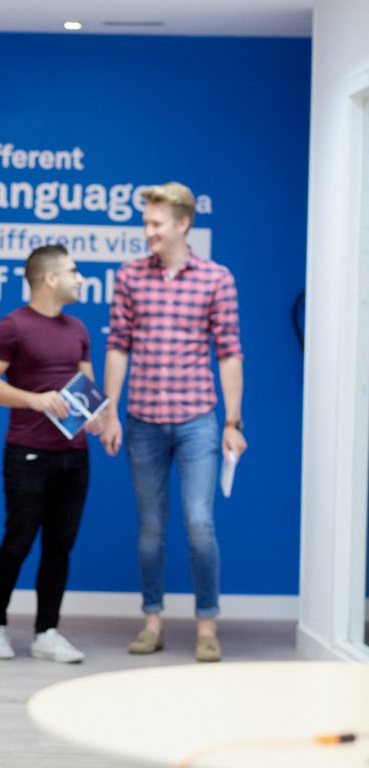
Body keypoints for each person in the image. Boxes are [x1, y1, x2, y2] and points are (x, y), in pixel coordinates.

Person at [100, 181, 247, 663]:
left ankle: (207, 626)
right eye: (145, 223)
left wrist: (232, 421)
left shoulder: (217, 279)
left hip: (198, 420)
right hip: (142, 419)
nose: (148, 232)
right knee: (150, 528)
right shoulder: (129, 276)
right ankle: (153, 622)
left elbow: (228, 354)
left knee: (200, 523)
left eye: (155, 223)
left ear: (183, 224)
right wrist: (111, 409)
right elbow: (118, 344)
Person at [0, 244, 99, 663]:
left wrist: (100, 419)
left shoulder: (79, 329)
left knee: (60, 546)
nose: (80, 278)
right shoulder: (11, 327)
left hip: (75, 455)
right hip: (27, 453)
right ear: (50, 278)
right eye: (74, 271)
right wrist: (36, 399)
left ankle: (47, 632)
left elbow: (88, 390)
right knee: (19, 541)